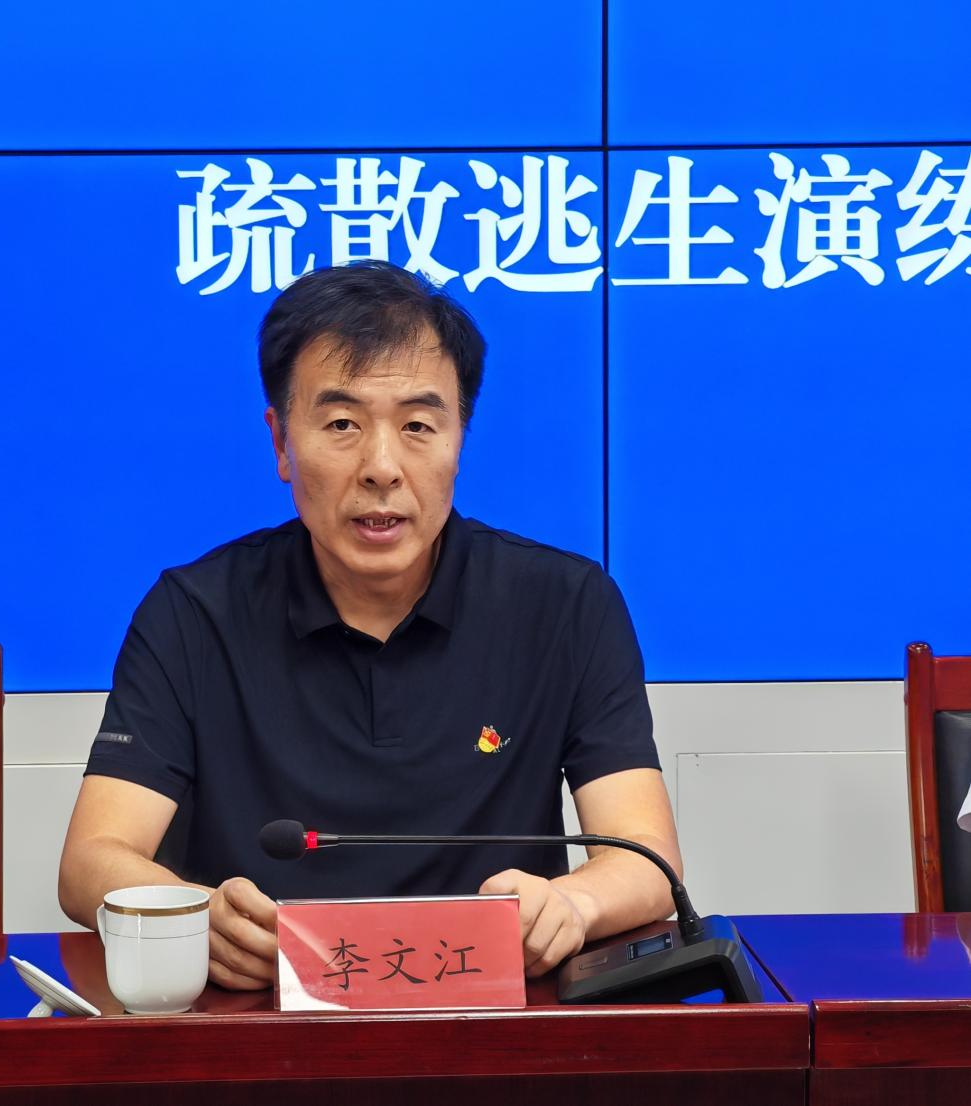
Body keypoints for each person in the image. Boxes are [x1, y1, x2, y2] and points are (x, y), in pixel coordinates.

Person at [59, 260, 681, 992]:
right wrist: (196, 914)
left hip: (495, 1017)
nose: (381, 467)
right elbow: (90, 861)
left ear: (458, 438)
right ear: (281, 443)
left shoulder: (566, 605)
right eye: (342, 424)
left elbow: (647, 861)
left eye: (417, 425)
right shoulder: (193, 613)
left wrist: (571, 905)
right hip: (262, 1019)